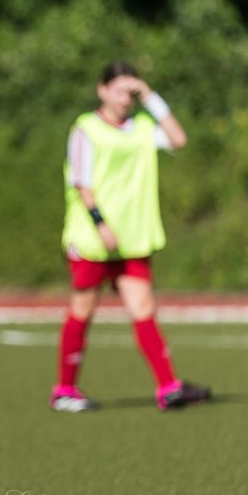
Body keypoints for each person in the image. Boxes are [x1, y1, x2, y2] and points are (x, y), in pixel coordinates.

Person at [50, 61, 210, 412]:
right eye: (119, 90)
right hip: (93, 240)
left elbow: (179, 139)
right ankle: (64, 390)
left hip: (132, 239)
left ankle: (168, 387)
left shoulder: (141, 128)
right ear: (102, 90)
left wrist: (151, 96)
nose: (125, 98)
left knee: (143, 309)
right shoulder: (86, 128)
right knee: (83, 311)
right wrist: (99, 222)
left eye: (131, 92)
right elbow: (81, 181)